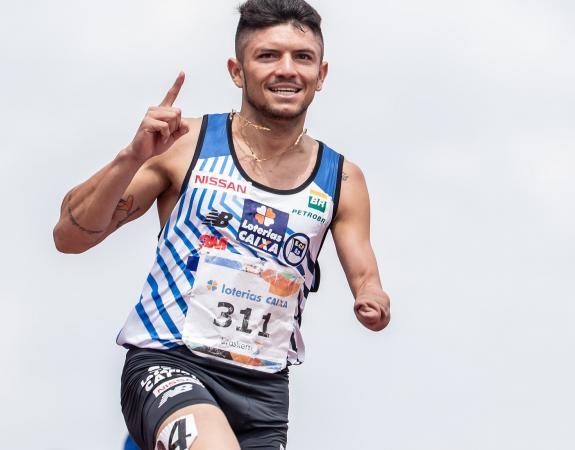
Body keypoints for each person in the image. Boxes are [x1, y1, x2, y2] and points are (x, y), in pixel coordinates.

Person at [53, 1, 390, 449]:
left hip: (263, 394)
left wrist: (373, 300)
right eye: (268, 56)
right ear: (237, 70)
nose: (286, 70)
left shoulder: (341, 179)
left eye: (302, 57)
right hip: (170, 363)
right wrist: (131, 157)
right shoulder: (184, 144)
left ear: (321, 75)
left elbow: (366, 277)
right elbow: (69, 237)